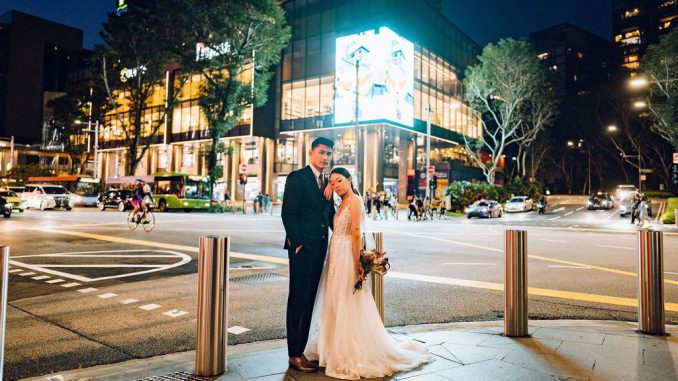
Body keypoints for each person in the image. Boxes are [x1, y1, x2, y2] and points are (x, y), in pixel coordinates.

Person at [304, 167, 431, 378]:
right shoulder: (340, 201)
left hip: (346, 255)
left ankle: (348, 349)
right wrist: (327, 187)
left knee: (347, 300)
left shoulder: (354, 200)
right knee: (334, 301)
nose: (335, 185)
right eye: (332, 182)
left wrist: (357, 263)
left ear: (349, 180)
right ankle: (332, 347)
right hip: (335, 254)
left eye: (339, 181)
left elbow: (356, 234)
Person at [281, 137, 336, 373]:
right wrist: (298, 245)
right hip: (303, 251)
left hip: (320, 249)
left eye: (329, 154)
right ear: (311, 152)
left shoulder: (327, 182)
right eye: (322, 152)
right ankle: (294, 353)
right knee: (299, 300)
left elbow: (329, 215)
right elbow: (288, 214)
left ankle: (300, 350)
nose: (325, 157)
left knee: (310, 300)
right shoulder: (298, 178)